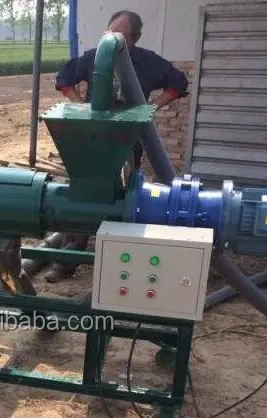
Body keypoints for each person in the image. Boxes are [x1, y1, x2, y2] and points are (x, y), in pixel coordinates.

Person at [46, 9, 189, 282]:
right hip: (90, 138)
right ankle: (65, 262)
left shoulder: (148, 63)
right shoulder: (92, 56)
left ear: (134, 39)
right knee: (82, 194)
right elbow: (64, 79)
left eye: (119, 34)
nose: (110, 39)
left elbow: (178, 83)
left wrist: (151, 108)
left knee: (125, 199)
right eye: (109, 31)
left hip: (127, 140)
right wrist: (80, 105)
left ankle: (119, 266)